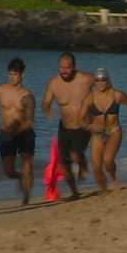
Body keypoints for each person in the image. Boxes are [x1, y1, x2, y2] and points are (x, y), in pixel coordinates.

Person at [41, 51, 95, 200]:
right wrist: (47, 110)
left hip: (83, 125)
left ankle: (83, 164)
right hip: (64, 127)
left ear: (74, 66)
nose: (64, 71)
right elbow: (45, 102)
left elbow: (106, 86)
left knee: (75, 154)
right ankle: (74, 192)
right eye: (61, 68)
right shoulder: (54, 83)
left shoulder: (86, 79)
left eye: (67, 68)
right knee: (64, 163)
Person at [0, 58, 36, 205]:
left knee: (27, 163)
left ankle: (26, 195)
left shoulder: (28, 96)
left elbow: (29, 121)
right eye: (10, 74)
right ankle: (19, 177)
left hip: (24, 134)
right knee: (8, 172)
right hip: (6, 133)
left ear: (22, 75)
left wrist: (18, 131)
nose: (12, 77)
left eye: (15, 74)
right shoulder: (0, 90)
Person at [77, 68, 127, 193]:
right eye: (97, 80)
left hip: (114, 131)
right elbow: (80, 119)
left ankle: (113, 179)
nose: (100, 82)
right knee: (97, 167)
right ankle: (105, 191)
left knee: (108, 160)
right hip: (97, 134)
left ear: (108, 81)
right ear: (94, 83)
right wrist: (89, 127)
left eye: (103, 80)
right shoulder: (90, 98)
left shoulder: (117, 95)